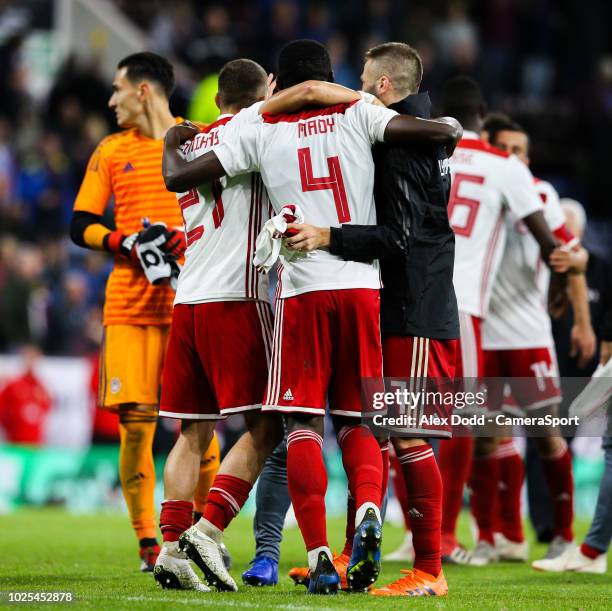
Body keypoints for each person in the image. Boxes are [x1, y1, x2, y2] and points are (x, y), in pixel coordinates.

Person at [162, 39, 461, 595]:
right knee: (360, 423)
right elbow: (441, 131)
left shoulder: (257, 124)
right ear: (331, 78)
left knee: (301, 424)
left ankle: (322, 553)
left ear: (279, 82)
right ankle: (370, 506)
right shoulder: (360, 111)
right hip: (361, 288)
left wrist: (175, 138)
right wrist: (340, 94)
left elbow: (181, 175)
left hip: (300, 290)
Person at [280, 41, 459, 598]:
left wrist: (330, 235)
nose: (356, 87)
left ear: (382, 86)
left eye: (362, 79)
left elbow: (399, 237)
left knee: (405, 433)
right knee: (375, 432)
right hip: (396, 299)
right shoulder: (413, 127)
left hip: (416, 304)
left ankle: (429, 569)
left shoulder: (405, 141)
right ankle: (354, 550)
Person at [69, 52, 220, 572]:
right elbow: (80, 224)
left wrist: (189, 235)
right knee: (137, 424)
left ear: (143, 91)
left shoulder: (198, 138)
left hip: (191, 301)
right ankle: (147, 544)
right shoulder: (111, 151)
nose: (110, 100)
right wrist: (124, 240)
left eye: (117, 89)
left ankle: (203, 533)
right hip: (130, 307)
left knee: (197, 425)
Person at [435, 76, 576, 565]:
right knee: (467, 423)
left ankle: (477, 534)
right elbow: (555, 245)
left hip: (416, 298)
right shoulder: (502, 168)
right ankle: (455, 537)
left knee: (407, 416)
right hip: (466, 305)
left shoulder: (420, 151)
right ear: (482, 113)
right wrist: (562, 289)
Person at [152, 58, 276, 593]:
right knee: (266, 427)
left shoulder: (188, 145)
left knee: (193, 430)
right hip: (236, 297)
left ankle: (171, 547)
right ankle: (209, 528)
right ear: (259, 93)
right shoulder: (254, 130)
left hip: (189, 299)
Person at [470, 115, 593, 567]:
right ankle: (495, 537)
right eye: (508, 149)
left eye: (522, 151)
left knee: (545, 435)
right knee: (483, 438)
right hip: (481, 331)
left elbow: (574, 253)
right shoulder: (478, 187)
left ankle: (563, 535)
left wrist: (574, 266)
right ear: (492, 149)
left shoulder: (541, 195)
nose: (517, 158)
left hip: (527, 333)